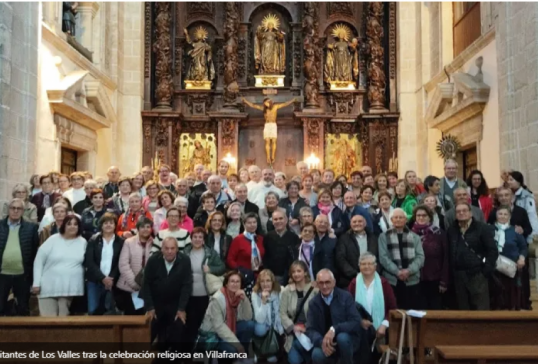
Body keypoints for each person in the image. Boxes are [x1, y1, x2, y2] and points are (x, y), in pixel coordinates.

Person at [142, 237, 192, 352]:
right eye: (167, 248)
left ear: (177, 249)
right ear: (161, 249)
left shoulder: (185, 260)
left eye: (172, 248)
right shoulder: (153, 260)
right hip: (156, 304)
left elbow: (187, 286)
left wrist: (181, 309)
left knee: (179, 330)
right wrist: (150, 307)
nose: (169, 251)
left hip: (175, 304)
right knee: (147, 333)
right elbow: (146, 285)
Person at [32, 215, 87, 316]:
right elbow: (39, 261)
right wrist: (36, 283)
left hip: (69, 289)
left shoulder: (83, 242)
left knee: (63, 322)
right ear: (63, 225)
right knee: (48, 321)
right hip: (48, 287)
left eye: (75, 224)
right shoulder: (53, 239)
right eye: (69, 224)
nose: (72, 226)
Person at [447, 202, 498, 310]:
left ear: (470, 213)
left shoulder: (482, 228)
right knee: (462, 309)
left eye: (464, 211)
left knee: (481, 308)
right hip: (459, 276)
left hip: (477, 274)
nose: (461, 213)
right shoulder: (452, 230)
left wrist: (486, 271)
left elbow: (492, 251)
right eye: (458, 211)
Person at [306, 269, 362, 364]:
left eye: (327, 282)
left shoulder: (345, 296)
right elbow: (310, 329)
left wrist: (335, 329)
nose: (324, 286)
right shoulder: (313, 303)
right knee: (316, 354)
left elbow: (356, 321)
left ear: (334, 282)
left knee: (342, 338)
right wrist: (321, 341)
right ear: (317, 284)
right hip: (326, 343)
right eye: (321, 283)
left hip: (347, 340)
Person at [183, 228, 226, 352]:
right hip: (188, 294)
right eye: (195, 237)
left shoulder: (210, 253)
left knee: (202, 323)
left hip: (204, 294)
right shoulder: (185, 252)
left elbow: (222, 267)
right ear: (191, 238)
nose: (197, 239)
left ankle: (201, 350)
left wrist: (211, 269)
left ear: (203, 239)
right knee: (189, 323)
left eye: (200, 237)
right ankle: (188, 352)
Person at [199, 270, 255, 356]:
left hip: (230, 327)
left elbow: (248, 317)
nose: (235, 284)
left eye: (237, 282)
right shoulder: (217, 299)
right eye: (232, 281)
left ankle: (241, 355)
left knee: (250, 325)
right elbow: (219, 326)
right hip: (215, 333)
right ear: (226, 284)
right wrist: (238, 345)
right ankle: (217, 356)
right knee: (232, 350)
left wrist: (245, 300)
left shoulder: (238, 296)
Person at [378, 208, 425, 309]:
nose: (398, 219)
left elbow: (420, 257)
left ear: (405, 220)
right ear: (391, 220)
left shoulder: (415, 237)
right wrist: (397, 272)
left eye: (401, 217)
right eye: (395, 217)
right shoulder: (383, 236)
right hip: (392, 280)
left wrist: (409, 271)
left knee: (412, 310)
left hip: (412, 280)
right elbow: (383, 257)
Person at [0, 198, 39, 316]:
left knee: (23, 308)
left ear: (23, 211)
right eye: (13, 208)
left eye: (19, 208)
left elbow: (34, 252)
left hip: (22, 275)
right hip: (2, 274)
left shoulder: (31, 228)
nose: (15, 211)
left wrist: (32, 277)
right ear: (8, 210)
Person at [348, 253, 397, 344]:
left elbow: (392, 308)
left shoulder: (384, 283)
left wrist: (384, 325)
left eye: (370, 264)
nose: (367, 266)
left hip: (381, 331)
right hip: (359, 330)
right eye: (363, 264)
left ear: (375, 266)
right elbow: (348, 307)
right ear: (359, 267)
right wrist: (360, 321)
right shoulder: (353, 284)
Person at [84, 213, 124, 315]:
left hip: (112, 281)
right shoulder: (93, 240)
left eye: (111, 223)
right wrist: (102, 278)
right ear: (101, 225)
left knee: (110, 311)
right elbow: (89, 261)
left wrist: (111, 278)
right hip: (94, 281)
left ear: (115, 225)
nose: (108, 225)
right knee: (93, 310)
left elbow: (121, 261)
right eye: (105, 223)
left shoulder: (121, 242)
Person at [410, 205, 449, 310]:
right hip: (415, 279)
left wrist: (444, 281)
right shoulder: (410, 234)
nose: (421, 218)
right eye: (418, 215)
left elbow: (446, 258)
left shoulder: (439, 233)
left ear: (429, 217)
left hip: (435, 279)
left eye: (424, 215)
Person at [280, 261, 318, 364]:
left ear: (305, 272)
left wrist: (308, 327)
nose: (296, 274)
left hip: (311, 331)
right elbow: (282, 313)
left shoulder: (314, 289)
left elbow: (319, 313)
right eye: (293, 272)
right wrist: (293, 327)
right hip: (294, 334)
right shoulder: (287, 291)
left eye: (299, 271)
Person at [491, 206, 527, 310]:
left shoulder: (515, 231)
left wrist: (522, 259)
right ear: (496, 215)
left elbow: (523, 247)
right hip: (494, 267)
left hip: (511, 267)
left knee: (511, 294)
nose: (503, 216)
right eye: (500, 214)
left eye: (505, 214)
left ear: (509, 216)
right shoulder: (489, 229)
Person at [115, 217, 153, 315]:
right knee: (131, 317)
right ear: (138, 228)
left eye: (148, 227)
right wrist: (134, 283)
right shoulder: (129, 242)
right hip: (129, 287)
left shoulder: (155, 242)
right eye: (142, 227)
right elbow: (123, 264)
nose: (145, 229)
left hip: (148, 288)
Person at [336, 215, 378, 288]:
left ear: (365, 223)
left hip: (372, 279)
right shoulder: (343, 239)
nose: (357, 223)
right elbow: (340, 259)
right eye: (354, 222)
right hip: (350, 281)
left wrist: (372, 272)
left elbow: (378, 257)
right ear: (350, 224)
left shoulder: (373, 238)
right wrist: (356, 274)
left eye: (360, 221)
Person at [251, 269, 284, 363]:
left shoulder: (280, 290)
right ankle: (259, 352)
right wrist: (263, 301)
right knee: (260, 329)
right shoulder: (255, 293)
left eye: (268, 280)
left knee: (273, 359)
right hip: (263, 325)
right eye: (262, 281)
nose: (265, 284)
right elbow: (259, 319)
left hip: (277, 324)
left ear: (272, 281)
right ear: (259, 283)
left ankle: (272, 352)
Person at [262, 210, 299, 286]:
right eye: (275, 219)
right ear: (272, 222)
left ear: (286, 220)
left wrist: (291, 276)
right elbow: (265, 257)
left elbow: (294, 258)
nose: (278, 221)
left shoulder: (293, 237)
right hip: (271, 276)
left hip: (288, 277)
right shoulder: (267, 237)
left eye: (280, 218)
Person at [227, 213, 265, 278]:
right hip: (243, 276)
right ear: (244, 224)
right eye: (249, 223)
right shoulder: (238, 240)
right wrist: (240, 271)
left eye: (254, 222)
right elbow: (230, 259)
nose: (252, 225)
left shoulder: (261, 239)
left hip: (259, 276)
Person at [508, 171, 538, 242]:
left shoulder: (526, 196)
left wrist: (533, 234)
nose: (508, 182)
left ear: (518, 181)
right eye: (508, 180)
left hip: (526, 231)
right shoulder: (511, 194)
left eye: (511, 180)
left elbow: (531, 215)